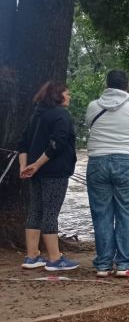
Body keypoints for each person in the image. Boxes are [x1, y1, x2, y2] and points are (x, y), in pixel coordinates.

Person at [85, 70, 129, 278]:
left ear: (107, 84)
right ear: (127, 85)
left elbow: (89, 123)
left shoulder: (93, 106)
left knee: (101, 215)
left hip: (98, 162)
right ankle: (125, 264)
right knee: (126, 214)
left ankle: (103, 265)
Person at [17, 81, 79, 271]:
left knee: (36, 210)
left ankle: (32, 255)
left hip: (35, 173)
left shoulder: (37, 114)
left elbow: (23, 143)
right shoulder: (61, 114)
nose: (69, 97)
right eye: (67, 93)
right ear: (58, 95)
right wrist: (35, 165)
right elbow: (56, 145)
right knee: (51, 213)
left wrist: (25, 167)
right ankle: (54, 258)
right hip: (54, 172)